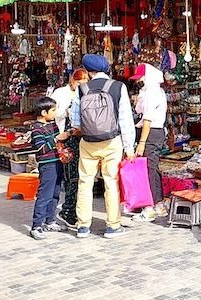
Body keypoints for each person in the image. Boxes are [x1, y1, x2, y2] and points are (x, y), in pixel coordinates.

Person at [71, 54, 136, 239]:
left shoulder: (82, 88)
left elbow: (75, 121)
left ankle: (83, 226)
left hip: (89, 143)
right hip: (112, 142)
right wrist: (129, 146)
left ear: (88, 71)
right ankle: (112, 226)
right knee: (111, 182)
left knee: (84, 183)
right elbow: (125, 119)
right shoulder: (118, 87)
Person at [50, 68, 90, 230]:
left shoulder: (86, 93)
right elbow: (50, 113)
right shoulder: (60, 93)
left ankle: (71, 209)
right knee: (71, 178)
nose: (81, 86)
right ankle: (68, 210)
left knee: (78, 178)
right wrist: (64, 111)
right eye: (78, 83)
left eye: (83, 84)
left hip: (79, 139)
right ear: (72, 81)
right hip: (66, 139)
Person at [128, 63, 169, 222]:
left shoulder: (152, 93)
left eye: (141, 78)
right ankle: (157, 204)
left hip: (150, 132)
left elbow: (147, 119)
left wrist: (142, 142)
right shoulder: (153, 92)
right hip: (154, 132)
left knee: (147, 170)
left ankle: (149, 207)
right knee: (152, 168)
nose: (140, 82)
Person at [29, 97, 70, 240]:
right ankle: (36, 226)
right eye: (53, 110)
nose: (55, 112)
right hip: (47, 166)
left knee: (55, 193)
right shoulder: (36, 129)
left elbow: (58, 142)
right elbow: (40, 149)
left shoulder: (52, 125)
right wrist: (57, 138)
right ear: (44, 112)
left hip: (58, 162)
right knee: (44, 195)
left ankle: (50, 220)